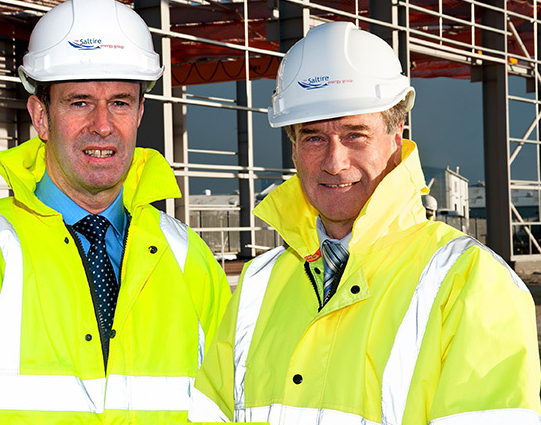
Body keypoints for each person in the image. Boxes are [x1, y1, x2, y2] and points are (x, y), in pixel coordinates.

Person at [0, 0, 230, 423]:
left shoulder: (189, 259)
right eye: (79, 103)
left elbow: (229, 403)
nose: (103, 125)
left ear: (139, 113)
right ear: (41, 116)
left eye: (120, 102)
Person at [189, 21, 541, 424]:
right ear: (294, 147)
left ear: (396, 135)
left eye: (355, 135)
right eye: (313, 137)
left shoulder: (470, 283)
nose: (335, 163)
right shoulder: (257, 286)